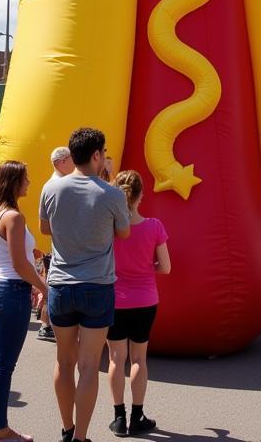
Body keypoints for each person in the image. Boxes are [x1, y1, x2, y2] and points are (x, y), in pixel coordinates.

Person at [39, 128, 130, 442]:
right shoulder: (112, 194)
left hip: (61, 285)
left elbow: (44, 228)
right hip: (97, 286)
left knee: (64, 362)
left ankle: (66, 429)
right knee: (89, 366)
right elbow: (124, 233)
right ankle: (81, 437)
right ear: (96, 155)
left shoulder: (51, 190)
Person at [0, 160, 48, 442]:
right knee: (4, 365)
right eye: (25, 178)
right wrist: (43, 286)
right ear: (14, 183)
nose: (29, 182)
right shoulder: (13, 217)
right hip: (11, 291)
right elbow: (19, 263)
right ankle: (0, 429)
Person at [106, 170, 170, 438]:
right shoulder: (154, 226)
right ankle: (138, 415)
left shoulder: (108, 229)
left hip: (114, 300)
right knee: (138, 359)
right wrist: (147, 265)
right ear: (141, 195)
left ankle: (118, 417)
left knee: (115, 359)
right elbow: (165, 267)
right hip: (145, 300)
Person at [36, 146, 75, 341]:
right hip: (59, 246)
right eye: (71, 158)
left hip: (57, 245)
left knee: (52, 285)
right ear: (60, 162)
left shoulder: (56, 183)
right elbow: (48, 224)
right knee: (52, 287)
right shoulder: (57, 185)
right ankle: (46, 324)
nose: (74, 162)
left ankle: (46, 324)